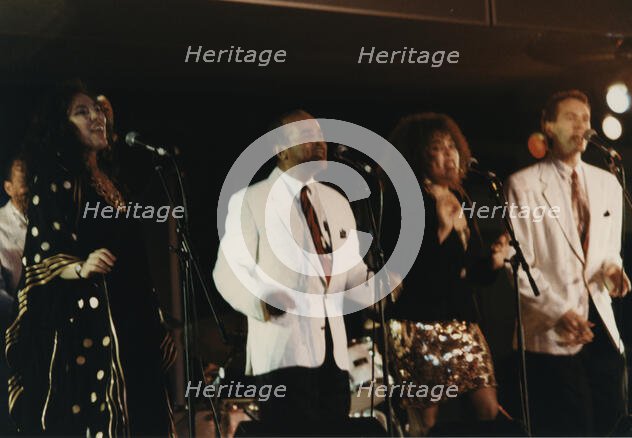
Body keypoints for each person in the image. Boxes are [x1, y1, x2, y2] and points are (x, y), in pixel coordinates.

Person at [5, 80, 176, 436]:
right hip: (88, 327)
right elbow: (41, 254)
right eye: (81, 112)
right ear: (61, 125)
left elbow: (136, 261)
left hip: (131, 322)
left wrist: (156, 321)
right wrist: (79, 267)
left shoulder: (113, 183)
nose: (96, 117)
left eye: (97, 110)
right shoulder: (55, 181)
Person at [213, 110, 373, 433]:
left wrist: (377, 285)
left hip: (334, 355)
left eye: (321, 134)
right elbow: (227, 272)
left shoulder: (336, 202)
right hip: (283, 351)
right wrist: (260, 299)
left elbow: (352, 270)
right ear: (280, 149)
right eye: (306, 136)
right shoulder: (251, 200)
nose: (320, 142)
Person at [505, 89, 630, 436]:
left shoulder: (608, 183)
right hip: (550, 332)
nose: (582, 126)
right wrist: (559, 311)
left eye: (586, 119)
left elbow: (608, 252)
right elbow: (518, 263)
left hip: (600, 328)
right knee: (564, 427)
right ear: (547, 126)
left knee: (610, 422)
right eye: (571, 118)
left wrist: (612, 273)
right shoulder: (524, 184)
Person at [387, 112, 508, 436]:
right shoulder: (409, 200)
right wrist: (440, 229)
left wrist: (493, 262)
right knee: (424, 420)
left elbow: (465, 272)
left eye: (452, 147)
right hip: (419, 321)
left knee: (487, 406)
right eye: (436, 150)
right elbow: (411, 268)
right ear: (418, 157)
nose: (448, 156)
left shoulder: (462, 198)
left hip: (461, 320)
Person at [0, 157, 28, 434]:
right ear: (8, 187)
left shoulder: (46, 215)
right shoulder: (0, 227)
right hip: (11, 332)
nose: (29, 188)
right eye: (22, 182)